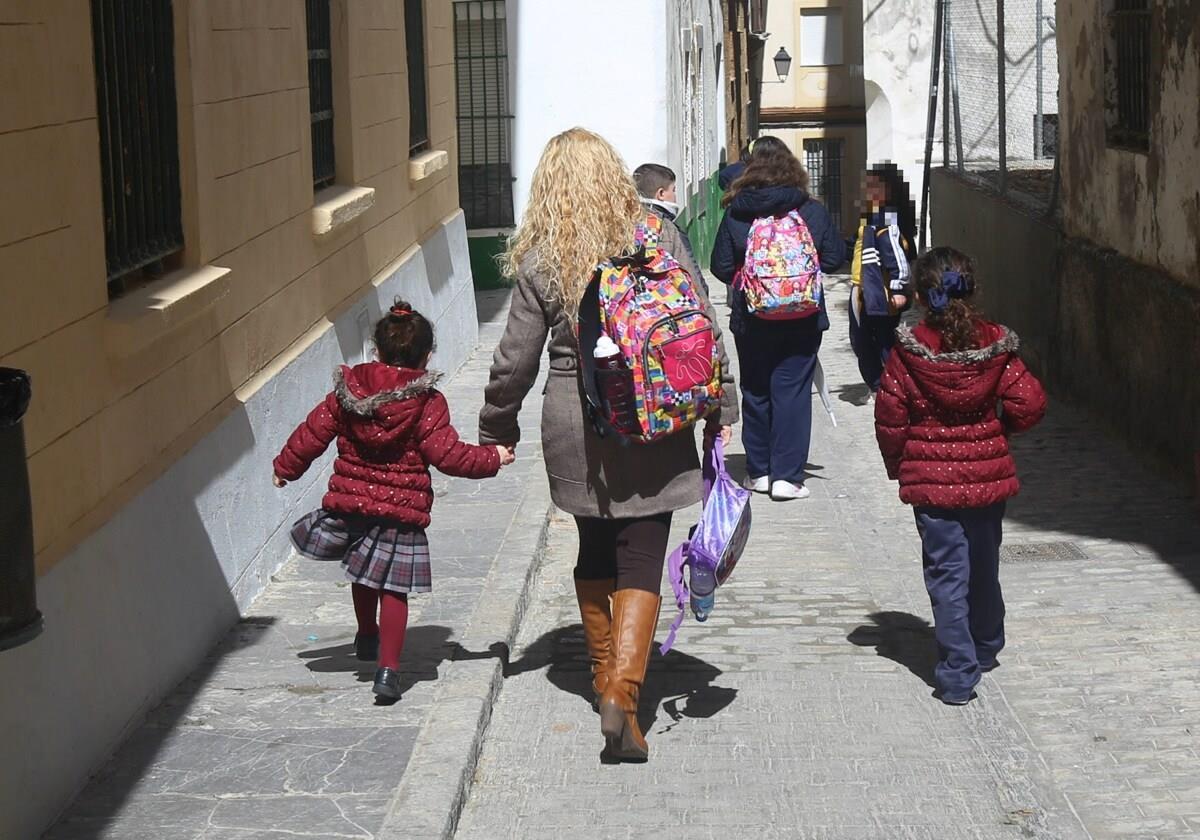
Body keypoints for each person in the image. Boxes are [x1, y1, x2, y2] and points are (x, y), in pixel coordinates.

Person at [478, 127, 738, 762]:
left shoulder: (543, 256)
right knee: (643, 551)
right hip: (655, 416)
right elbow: (701, 324)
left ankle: (605, 682)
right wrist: (720, 406)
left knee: (594, 544)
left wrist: (496, 426)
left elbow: (515, 358)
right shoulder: (660, 236)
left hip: (575, 419)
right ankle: (623, 693)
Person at [273, 302, 515, 700]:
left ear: (377, 351)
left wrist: (286, 467)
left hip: (351, 501)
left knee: (362, 573)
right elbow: (446, 454)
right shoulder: (427, 402)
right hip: (400, 512)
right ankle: (388, 670)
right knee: (392, 588)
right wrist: (494, 458)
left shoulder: (347, 392)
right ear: (427, 356)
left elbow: (313, 432)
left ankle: (367, 636)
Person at [873, 247, 1046, 705]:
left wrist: (900, 465)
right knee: (985, 565)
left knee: (947, 574)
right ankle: (986, 645)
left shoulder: (910, 352)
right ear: (972, 288)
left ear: (922, 296)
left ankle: (957, 674)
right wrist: (1000, 430)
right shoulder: (995, 345)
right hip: (988, 478)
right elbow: (1030, 402)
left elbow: (890, 416)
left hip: (933, 487)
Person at [709, 135, 846, 501]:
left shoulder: (737, 210)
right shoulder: (810, 209)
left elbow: (720, 266)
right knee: (793, 391)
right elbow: (834, 259)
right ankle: (787, 477)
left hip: (752, 318)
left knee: (756, 389)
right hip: (802, 318)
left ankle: (760, 472)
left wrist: (752, 282)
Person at [848, 163, 918, 396]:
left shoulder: (887, 217)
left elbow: (894, 254)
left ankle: (889, 387)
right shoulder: (871, 215)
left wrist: (898, 288)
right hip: (863, 286)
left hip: (879, 290)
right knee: (867, 339)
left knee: (879, 340)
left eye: (872, 186)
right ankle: (885, 385)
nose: (865, 190)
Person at [632, 162, 704, 293]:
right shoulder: (667, 228)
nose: (675, 195)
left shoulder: (624, 224)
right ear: (661, 194)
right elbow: (690, 274)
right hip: (667, 306)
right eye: (673, 190)